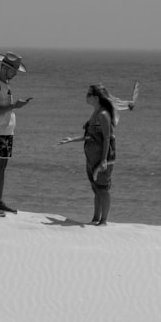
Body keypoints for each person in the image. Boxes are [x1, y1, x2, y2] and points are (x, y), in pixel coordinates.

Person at [57, 84, 119, 226]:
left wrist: (104, 160)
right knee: (96, 188)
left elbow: (107, 138)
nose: (86, 97)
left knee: (103, 189)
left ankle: (103, 221)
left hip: (103, 159)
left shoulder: (103, 114)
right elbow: (90, 136)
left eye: (88, 94)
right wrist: (72, 139)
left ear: (96, 98)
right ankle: (95, 219)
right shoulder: (95, 113)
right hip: (92, 158)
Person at [0, 52, 32, 216]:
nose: (16, 74)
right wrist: (14, 106)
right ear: (5, 68)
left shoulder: (5, 84)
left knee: (3, 167)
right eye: (14, 70)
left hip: (6, 131)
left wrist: (15, 105)